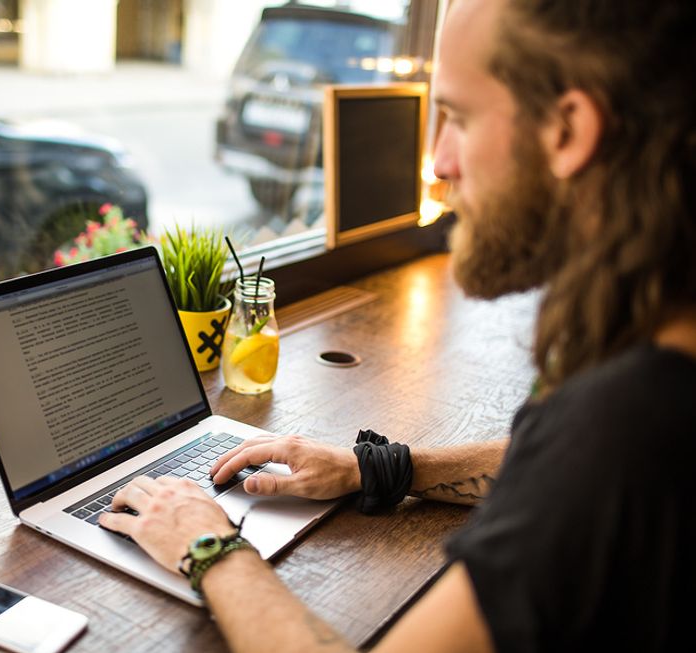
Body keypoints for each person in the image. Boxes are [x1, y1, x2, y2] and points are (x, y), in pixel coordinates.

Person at [99, 0, 696, 650]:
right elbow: (549, 464)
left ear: (568, 129)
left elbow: (587, 468)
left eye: (459, 118)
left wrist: (207, 544)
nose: (438, 162)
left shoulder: (628, 429)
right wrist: (377, 467)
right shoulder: (653, 349)